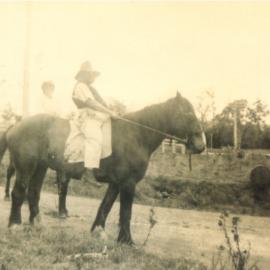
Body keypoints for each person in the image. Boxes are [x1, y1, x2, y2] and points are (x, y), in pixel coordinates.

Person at [72, 61, 117, 177]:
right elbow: (91, 103)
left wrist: (111, 109)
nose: (92, 78)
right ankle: (88, 170)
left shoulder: (90, 88)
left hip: (93, 115)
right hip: (85, 116)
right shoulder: (80, 86)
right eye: (90, 75)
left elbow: (100, 102)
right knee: (95, 138)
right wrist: (109, 112)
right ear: (83, 75)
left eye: (93, 75)